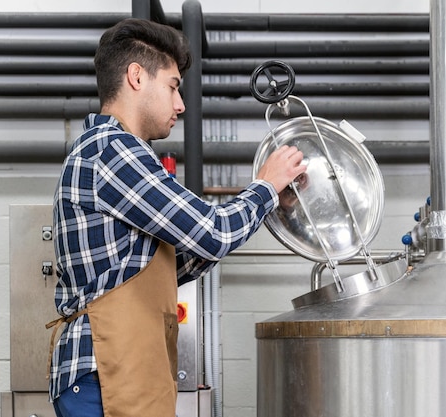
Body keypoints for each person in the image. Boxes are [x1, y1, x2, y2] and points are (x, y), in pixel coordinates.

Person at [46, 18, 306, 417]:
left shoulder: (113, 153)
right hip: (105, 375)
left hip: (118, 372)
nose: (181, 104)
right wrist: (265, 187)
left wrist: (270, 201)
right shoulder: (114, 151)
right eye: (172, 86)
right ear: (136, 77)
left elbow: (172, 266)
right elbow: (213, 232)